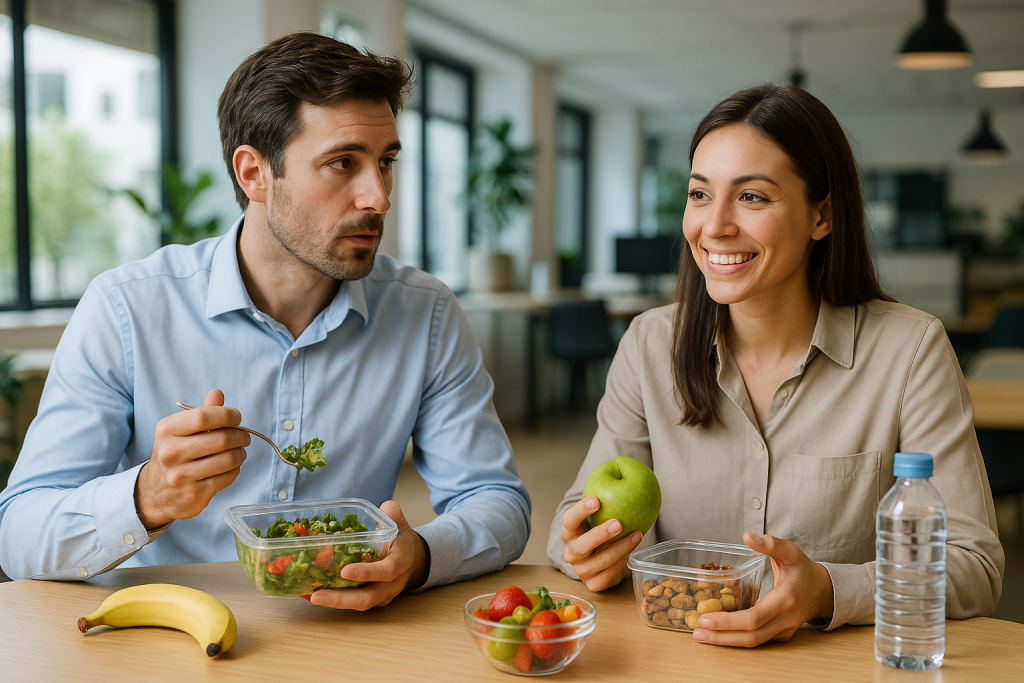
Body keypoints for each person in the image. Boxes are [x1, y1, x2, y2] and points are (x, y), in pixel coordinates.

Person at [0, 32, 531, 610]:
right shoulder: (126, 310)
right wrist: (147, 495)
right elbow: (18, 533)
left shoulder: (425, 313)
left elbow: (496, 500)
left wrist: (421, 555)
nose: (378, 196)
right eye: (342, 164)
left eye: (385, 163)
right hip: (165, 634)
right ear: (254, 173)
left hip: (349, 642)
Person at [548, 84, 1003, 645]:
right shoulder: (649, 345)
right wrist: (583, 549)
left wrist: (832, 590)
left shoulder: (911, 352)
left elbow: (972, 565)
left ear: (823, 215)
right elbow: (572, 519)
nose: (714, 226)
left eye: (753, 197)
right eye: (699, 194)